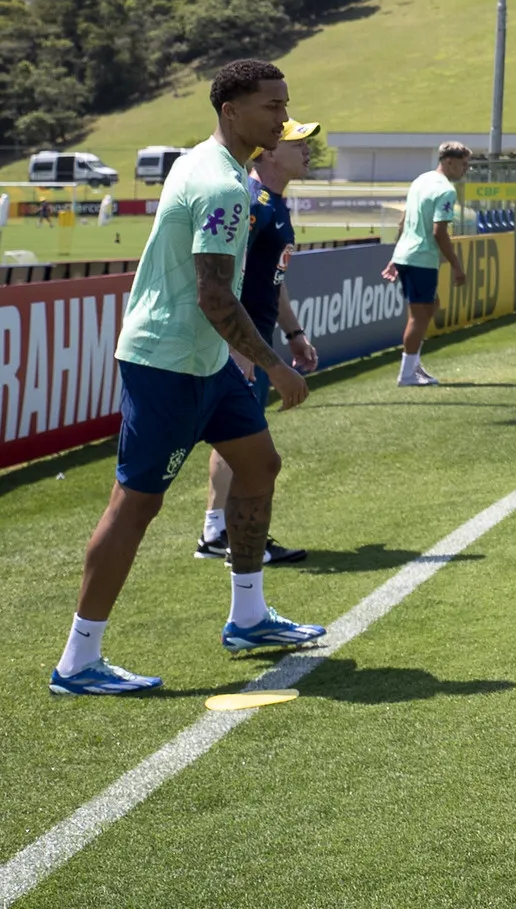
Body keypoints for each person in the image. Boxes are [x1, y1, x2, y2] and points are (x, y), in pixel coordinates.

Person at [50, 60, 324, 695]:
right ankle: (77, 661)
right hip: (168, 362)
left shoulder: (211, 162)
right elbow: (214, 297)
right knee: (136, 504)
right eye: (271, 106)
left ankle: (249, 617)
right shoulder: (223, 185)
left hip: (206, 361)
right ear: (231, 111)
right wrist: (279, 365)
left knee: (259, 468)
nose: (283, 118)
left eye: (285, 104)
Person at [194, 116, 322, 563]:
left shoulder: (275, 203)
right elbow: (224, 275)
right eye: (297, 143)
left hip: (256, 340)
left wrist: (294, 332)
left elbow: (273, 280)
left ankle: (216, 532)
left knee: (237, 439)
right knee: (244, 441)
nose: (307, 150)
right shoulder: (252, 201)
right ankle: (224, 534)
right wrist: (239, 347)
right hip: (240, 343)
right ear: (268, 150)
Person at [381, 141, 470, 386]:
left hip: (408, 255)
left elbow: (404, 219)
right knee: (418, 317)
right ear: (449, 161)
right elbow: (439, 232)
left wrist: (396, 256)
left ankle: (414, 366)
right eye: (464, 164)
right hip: (421, 258)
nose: (466, 169)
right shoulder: (446, 190)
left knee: (430, 306)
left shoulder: (421, 180)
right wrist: (456, 265)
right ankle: (407, 374)